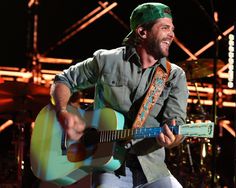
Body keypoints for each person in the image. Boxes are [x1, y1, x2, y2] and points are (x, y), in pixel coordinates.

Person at [50, 2, 189, 188]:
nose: (171, 34)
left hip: (151, 168)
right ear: (142, 32)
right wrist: (62, 112)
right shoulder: (106, 60)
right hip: (107, 165)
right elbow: (62, 81)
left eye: (172, 29)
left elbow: (176, 123)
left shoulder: (175, 75)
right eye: (164, 28)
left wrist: (173, 138)